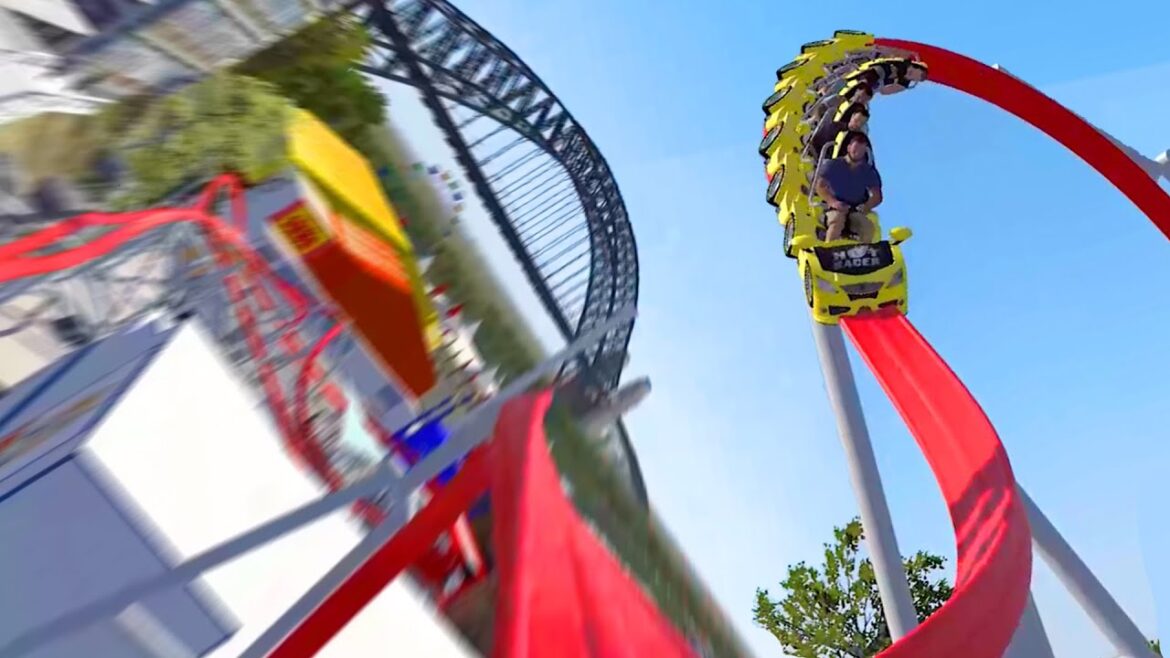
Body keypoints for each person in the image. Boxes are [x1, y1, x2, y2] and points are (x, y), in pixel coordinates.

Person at [814, 131, 882, 242]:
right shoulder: (833, 165)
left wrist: (866, 206)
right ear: (849, 148)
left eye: (860, 151)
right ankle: (828, 248)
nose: (857, 153)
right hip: (834, 207)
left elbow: (877, 195)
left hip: (855, 209)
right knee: (837, 221)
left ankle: (864, 251)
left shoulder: (868, 171)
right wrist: (833, 202)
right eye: (855, 150)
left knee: (867, 227)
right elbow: (820, 186)